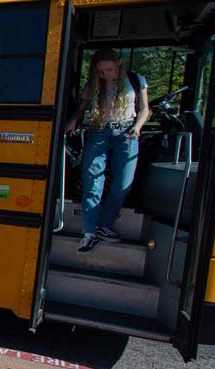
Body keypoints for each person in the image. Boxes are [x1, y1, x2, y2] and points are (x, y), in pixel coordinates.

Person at [63, 49, 150, 253]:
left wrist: (137, 127)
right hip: (98, 131)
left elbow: (145, 109)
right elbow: (82, 108)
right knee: (93, 181)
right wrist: (73, 121)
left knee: (123, 184)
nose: (106, 75)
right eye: (101, 72)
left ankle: (105, 224)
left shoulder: (136, 80)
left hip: (127, 132)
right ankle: (89, 232)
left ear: (119, 64)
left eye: (109, 69)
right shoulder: (94, 85)